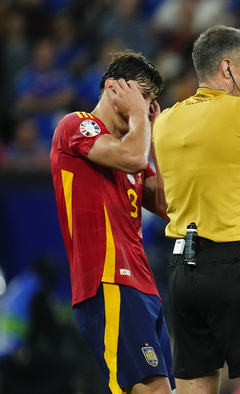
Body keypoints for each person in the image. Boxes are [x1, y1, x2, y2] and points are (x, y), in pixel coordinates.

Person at [152, 25, 240, 394]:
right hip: (238, 263)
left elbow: (170, 197)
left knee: (194, 379)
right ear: (227, 67)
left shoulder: (164, 121)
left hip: (183, 268)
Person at [50, 52, 174, 394]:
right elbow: (133, 157)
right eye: (142, 97)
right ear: (113, 88)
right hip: (107, 280)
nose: (147, 109)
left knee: (167, 389)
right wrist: (139, 118)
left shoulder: (129, 147)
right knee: (152, 389)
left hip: (144, 286)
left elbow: (169, 205)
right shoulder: (76, 125)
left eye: (150, 102)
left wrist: (156, 136)